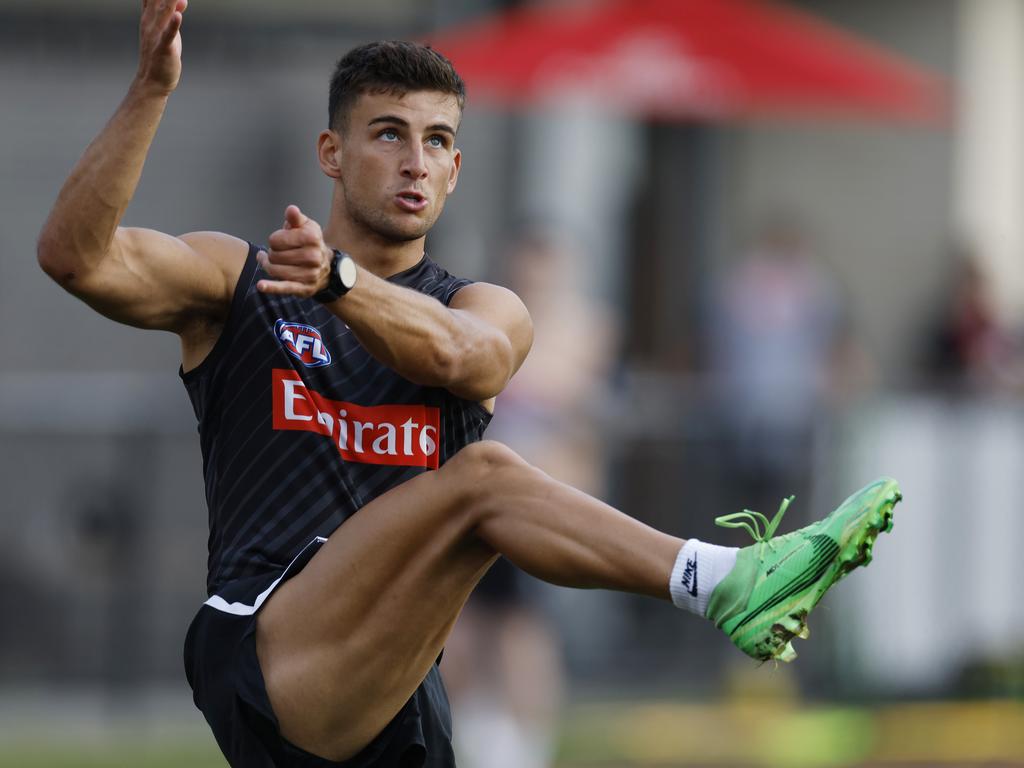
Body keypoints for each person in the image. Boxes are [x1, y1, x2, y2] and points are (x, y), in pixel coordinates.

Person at [36, 2, 902, 767]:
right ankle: (725, 581)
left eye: (438, 141)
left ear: (455, 170)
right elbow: (74, 258)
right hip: (268, 650)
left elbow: (470, 361)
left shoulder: (482, 306)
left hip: (397, 697)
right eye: (389, 134)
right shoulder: (244, 281)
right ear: (331, 154)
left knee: (481, 495)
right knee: (484, 479)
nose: (416, 161)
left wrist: (340, 280)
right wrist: (150, 89)